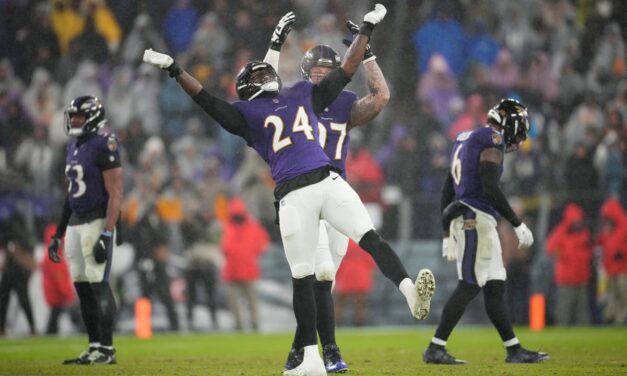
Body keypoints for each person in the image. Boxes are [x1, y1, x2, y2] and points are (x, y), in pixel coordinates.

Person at [143, 5, 435, 376]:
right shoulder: (298, 96)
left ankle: (316, 355)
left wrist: (175, 70)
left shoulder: (253, 113)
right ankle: (402, 294)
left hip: (298, 194)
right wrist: (365, 31)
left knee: (306, 277)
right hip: (328, 182)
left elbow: (207, 100)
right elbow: (344, 72)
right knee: (365, 243)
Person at [263, 16, 392, 373]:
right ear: (305, 73)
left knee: (324, 284)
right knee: (316, 272)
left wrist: (367, 54)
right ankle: (329, 350)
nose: (321, 75)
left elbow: (381, 97)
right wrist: (274, 47)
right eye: (315, 69)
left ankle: (299, 351)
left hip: (336, 196)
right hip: (303, 195)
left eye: (327, 69)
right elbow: (263, 90)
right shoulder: (291, 101)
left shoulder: (344, 103)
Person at [423, 98, 549, 364]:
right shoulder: (491, 139)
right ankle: (435, 347)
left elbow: (448, 187)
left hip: (472, 217)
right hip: (475, 218)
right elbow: (490, 187)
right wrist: (517, 223)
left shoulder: (464, 138)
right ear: (510, 124)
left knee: (494, 287)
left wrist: (446, 231)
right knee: (469, 284)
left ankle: (513, 350)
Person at [48, 96, 123, 365]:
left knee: (98, 284)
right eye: (74, 116)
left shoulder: (105, 143)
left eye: (79, 116)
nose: (75, 121)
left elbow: (115, 193)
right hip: (76, 222)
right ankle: (94, 346)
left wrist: (107, 232)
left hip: (96, 220)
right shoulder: (74, 145)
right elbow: (70, 194)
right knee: (82, 286)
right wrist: (58, 233)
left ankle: (107, 349)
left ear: (92, 117)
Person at [220, 197, 269, 331]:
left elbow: (263, 244)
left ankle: (254, 326)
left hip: (247, 270)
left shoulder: (251, 227)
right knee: (236, 304)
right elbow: (225, 248)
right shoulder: (229, 227)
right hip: (233, 271)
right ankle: (239, 326)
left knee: (251, 302)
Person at [545, 203, 593, 325]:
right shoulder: (561, 233)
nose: (577, 223)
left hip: (581, 278)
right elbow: (550, 247)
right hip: (566, 278)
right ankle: (561, 332)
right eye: (575, 220)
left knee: (582, 310)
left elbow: (589, 252)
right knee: (564, 309)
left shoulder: (585, 233)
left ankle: (584, 333)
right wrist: (564, 227)